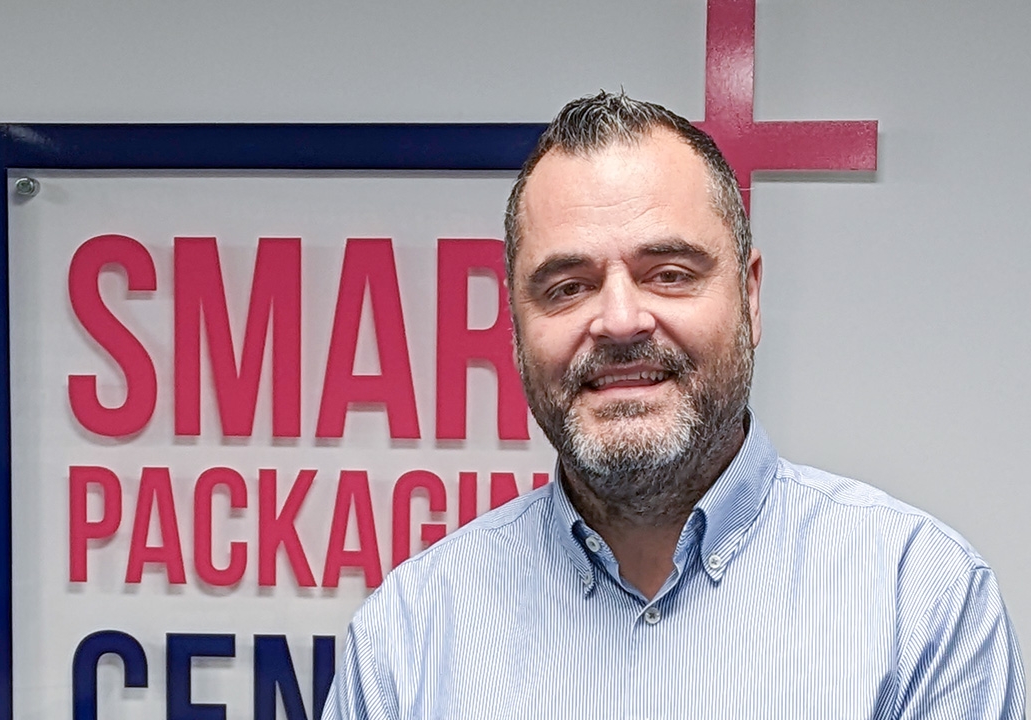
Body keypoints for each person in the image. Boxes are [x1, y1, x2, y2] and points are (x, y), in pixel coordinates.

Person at [320, 91, 1026, 718]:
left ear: (749, 295)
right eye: (568, 287)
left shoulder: (919, 604)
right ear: (515, 325)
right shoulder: (405, 641)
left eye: (669, 273)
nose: (620, 320)